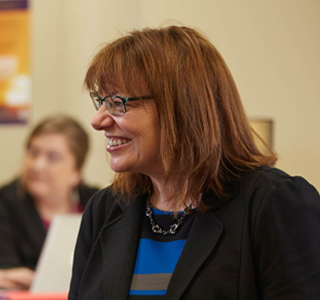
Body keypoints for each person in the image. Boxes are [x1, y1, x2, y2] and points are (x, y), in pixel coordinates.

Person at [69, 25, 320, 299]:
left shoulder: (275, 203)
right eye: (101, 101)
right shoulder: (105, 209)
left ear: (181, 107)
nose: (98, 121)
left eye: (117, 102)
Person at [0, 114, 99, 290]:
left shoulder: (99, 205)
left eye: (53, 157)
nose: (37, 165)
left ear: (76, 172)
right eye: (33, 153)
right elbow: (6, 276)